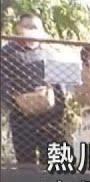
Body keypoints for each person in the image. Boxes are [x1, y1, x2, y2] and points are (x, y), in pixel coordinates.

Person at [0, 13, 68, 165]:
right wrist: (18, 99)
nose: (31, 30)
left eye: (35, 27)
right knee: (26, 162)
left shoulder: (49, 54)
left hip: (48, 118)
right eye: (27, 26)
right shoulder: (7, 52)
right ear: (18, 28)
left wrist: (60, 113)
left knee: (51, 159)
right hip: (21, 117)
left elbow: (60, 88)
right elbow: (3, 84)